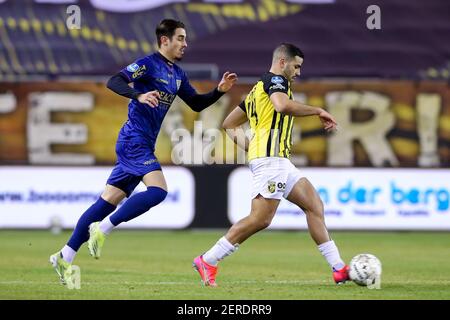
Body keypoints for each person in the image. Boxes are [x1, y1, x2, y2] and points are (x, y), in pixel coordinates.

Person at [50, 19, 237, 287]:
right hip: (133, 140)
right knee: (158, 191)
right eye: (181, 38)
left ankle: (64, 256)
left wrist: (218, 91)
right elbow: (114, 80)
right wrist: (136, 96)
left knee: (106, 201)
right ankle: (102, 229)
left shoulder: (177, 74)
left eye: (185, 39)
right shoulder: (147, 64)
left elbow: (196, 103)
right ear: (165, 40)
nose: (185, 44)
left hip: (142, 143)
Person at [193, 43, 349, 287]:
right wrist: (318, 110)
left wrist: (251, 147)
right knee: (260, 219)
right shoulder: (276, 82)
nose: (298, 72)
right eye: (296, 66)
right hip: (270, 160)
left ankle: (339, 269)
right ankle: (209, 260)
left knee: (314, 206)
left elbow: (229, 123)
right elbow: (282, 106)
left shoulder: (257, 89)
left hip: (277, 160)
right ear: (282, 62)